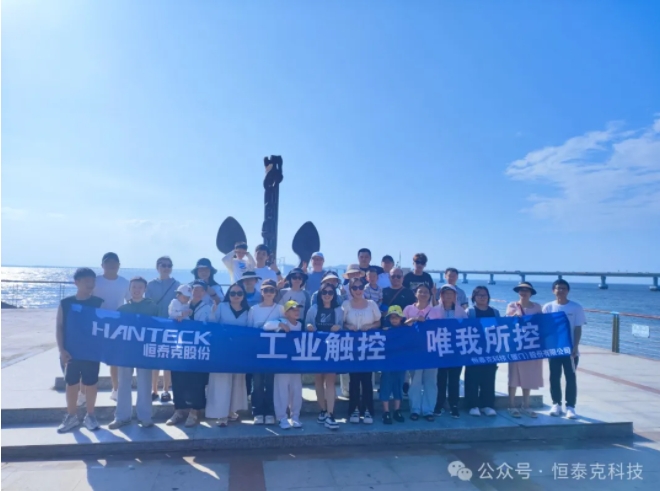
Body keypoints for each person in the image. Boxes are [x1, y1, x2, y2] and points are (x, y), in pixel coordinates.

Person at [56, 268, 104, 433]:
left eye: (93, 281)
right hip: (71, 352)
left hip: (91, 352)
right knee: (71, 383)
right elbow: (59, 327)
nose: (90, 284)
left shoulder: (98, 302)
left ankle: (90, 415)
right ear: (76, 282)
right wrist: (62, 350)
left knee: (91, 383)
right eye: (87, 281)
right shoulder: (66, 303)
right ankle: (71, 416)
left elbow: (105, 328)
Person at [109, 277, 159, 429]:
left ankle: (145, 417)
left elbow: (158, 327)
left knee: (145, 383)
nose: (137, 290)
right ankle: (122, 417)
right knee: (123, 382)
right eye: (134, 287)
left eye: (140, 287)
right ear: (129, 289)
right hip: (126, 352)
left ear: (145, 289)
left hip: (144, 351)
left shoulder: (152, 307)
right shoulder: (122, 309)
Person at [166, 280, 213, 427]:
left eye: (200, 290)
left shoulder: (207, 307)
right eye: (194, 289)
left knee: (197, 380)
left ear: (204, 293)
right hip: (180, 348)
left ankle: (195, 411)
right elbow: (171, 319)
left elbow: (209, 326)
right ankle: (179, 409)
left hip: (198, 349)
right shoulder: (181, 304)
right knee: (178, 378)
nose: (197, 292)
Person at [206, 283, 250, 427]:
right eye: (233, 293)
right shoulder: (221, 307)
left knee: (237, 382)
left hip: (240, 351)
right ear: (228, 295)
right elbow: (212, 324)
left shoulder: (248, 310)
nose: (236, 296)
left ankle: (232, 411)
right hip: (222, 350)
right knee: (221, 382)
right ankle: (221, 414)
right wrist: (212, 312)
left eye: (239, 293)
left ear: (243, 296)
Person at [542, 279, 585, 420]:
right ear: (553, 290)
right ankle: (556, 404)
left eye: (563, 288)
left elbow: (578, 328)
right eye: (558, 288)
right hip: (554, 349)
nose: (560, 290)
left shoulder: (576, 307)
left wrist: (575, 346)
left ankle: (571, 407)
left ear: (568, 290)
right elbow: (544, 327)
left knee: (570, 377)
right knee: (554, 376)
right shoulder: (548, 307)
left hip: (570, 351)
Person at [343, 277, 381, 424]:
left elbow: (378, 321)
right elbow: (341, 322)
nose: (358, 290)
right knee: (354, 380)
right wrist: (348, 326)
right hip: (352, 347)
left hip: (368, 346)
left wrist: (370, 326)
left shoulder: (371, 304)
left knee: (367, 380)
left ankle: (368, 410)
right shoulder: (346, 305)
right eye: (355, 288)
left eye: (360, 287)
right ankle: (354, 409)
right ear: (351, 290)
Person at [305, 281, 343, 430]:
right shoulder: (313, 309)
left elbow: (342, 327)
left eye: (330, 292)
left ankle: (330, 414)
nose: (327, 295)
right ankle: (322, 409)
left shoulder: (339, 310)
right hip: (316, 349)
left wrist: (339, 327)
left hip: (332, 349)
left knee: (331, 381)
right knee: (318, 379)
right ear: (320, 294)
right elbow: (307, 325)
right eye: (324, 292)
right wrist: (309, 327)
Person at [93, 252, 130, 402]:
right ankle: (85, 391)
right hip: (96, 324)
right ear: (102, 265)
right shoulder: (95, 281)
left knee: (114, 359)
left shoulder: (125, 282)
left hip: (116, 326)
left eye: (114, 262)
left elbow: (131, 302)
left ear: (119, 265)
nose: (111, 265)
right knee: (91, 358)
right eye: (108, 262)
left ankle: (115, 389)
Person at [247, 279, 285, 425]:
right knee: (256, 383)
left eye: (272, 290)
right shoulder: (253, 309)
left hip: (273, 352)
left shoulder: (280, 308)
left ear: (275, 292)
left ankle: (269, 411)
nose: (269, 293)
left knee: (270, 383)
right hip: (257, 352)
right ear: (261, 292)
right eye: (266, 290)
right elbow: (249, 329)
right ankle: (257, 411)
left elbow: (284, 325)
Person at [505, 282, 544, 418]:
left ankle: (526, 405)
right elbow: (507, 324)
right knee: (513, 376)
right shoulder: (512, 306)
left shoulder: (537, 307)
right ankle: (511, 405)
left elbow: (542, 324)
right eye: (521, 290)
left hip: (531, 346)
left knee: (528, 375)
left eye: (526, 290)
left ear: (531, 293)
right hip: (516, 346)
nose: (523, 292)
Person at [265, 301, 304, 429]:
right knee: (281, 391)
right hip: (281, 363)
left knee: (296, 391)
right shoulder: (281, 321)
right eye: (293, 309)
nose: (296, 312)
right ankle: (282, 418)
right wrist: (280, 324)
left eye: (297, 309)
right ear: (286, 313)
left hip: (296, 364)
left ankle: (295, 416)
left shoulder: (301, 324)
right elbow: (266, 326)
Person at [403, 284, 440, 421]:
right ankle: (415, 409)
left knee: (431, 381)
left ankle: (429, 410)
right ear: (415, 294)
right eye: (420, 292)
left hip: (431, 351)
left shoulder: (435, 311)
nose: (423, 294)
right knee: (415, 381)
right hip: (414, 350)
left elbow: (440, 329)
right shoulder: (408, 309)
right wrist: (414, 319)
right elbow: (401, 326)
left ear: (430, 294)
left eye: (426, 292)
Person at [146, 256, 180, 402]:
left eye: (168, 265)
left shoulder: (177, 284)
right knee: (154, 359)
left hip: (171, 326)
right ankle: (153, 389)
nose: (166, 268)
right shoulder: (150, 285)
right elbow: (147, 304)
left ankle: (166, 390)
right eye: (163, 265)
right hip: (154, 325)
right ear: (157, 267)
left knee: (168, 360)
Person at [433, 284, 468, 418]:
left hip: (456, 351)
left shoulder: (461, 312)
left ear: (455, 296)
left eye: (451, 294)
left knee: (454, 379)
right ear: (441, 296)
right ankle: (439, 404)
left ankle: (454, 405)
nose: (448, 296)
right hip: (440, 350)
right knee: (441, 379)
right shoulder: (435, 310)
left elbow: (466, 329)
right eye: (445, 293)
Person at [465, 286, 499, 417]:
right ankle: (473, 405)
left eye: (485, 295)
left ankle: (487, 405)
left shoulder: (495, 312)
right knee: (472, 377)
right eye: (479, 295)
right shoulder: (470, 312)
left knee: (489, 377)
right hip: (473, 349)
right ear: (474, 297)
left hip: (490, 350)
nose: (482, 297)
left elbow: (500, 329)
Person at [379, 306, 407, 424]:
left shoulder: (406, 330)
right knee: (386, 385)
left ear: (401, 318)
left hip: (401, 362)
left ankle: (397, 410)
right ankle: (386, 411)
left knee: (398, 386)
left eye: (397, 317)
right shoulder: (385, 331)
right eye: (392, 317)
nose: (394, 319)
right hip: (388, 363)